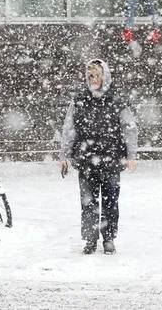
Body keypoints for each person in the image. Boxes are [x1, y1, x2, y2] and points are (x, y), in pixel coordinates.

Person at [59, 59, 138, 255]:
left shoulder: (117, 101)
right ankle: (90, 239)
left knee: (111, 201)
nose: (93, 80)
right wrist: (64, 155)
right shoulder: (79, 100)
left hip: (111, 159)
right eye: (90, 76)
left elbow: (129, 128)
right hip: (86, 160)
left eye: (97, 75)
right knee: (88, 202)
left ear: (105, 76)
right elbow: (69, 129)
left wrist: (131, 155)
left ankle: (109, 237)